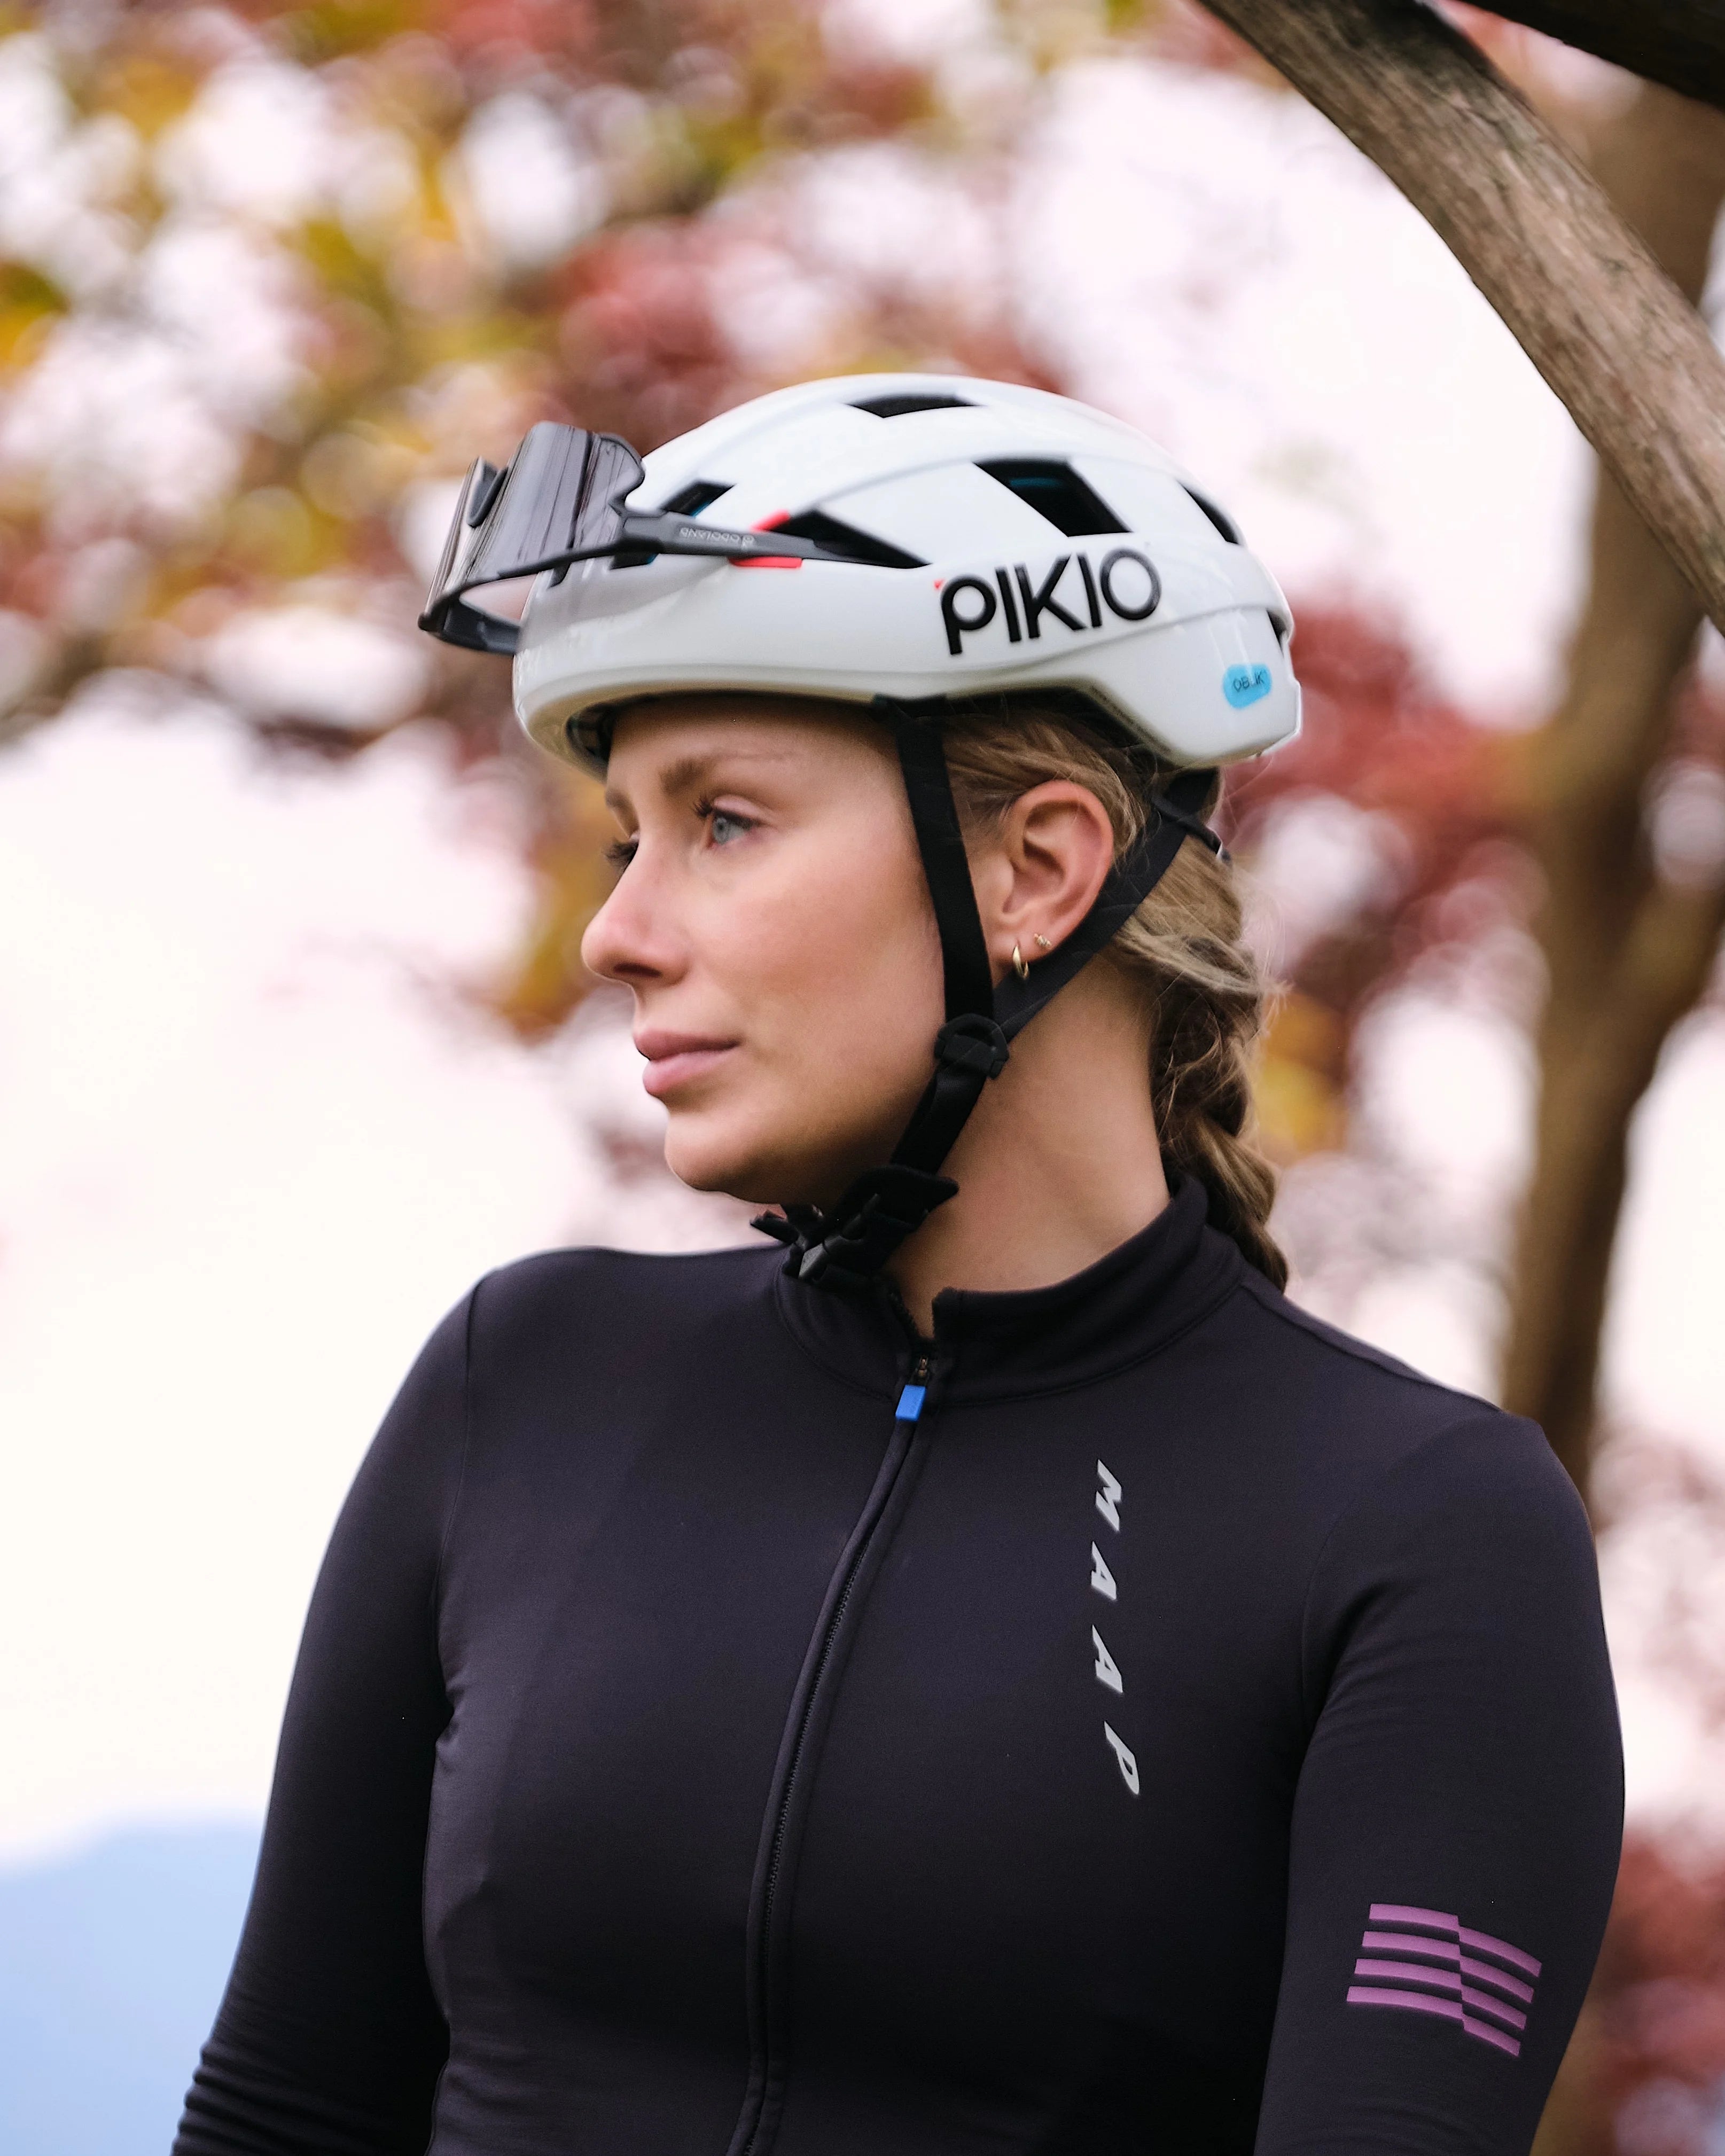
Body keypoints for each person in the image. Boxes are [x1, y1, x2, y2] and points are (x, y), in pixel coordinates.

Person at [175, 376, 1622, 2156]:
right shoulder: (523, 1385)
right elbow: (281, 2116)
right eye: (628, 833)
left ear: (1036, 869)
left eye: (723, 820)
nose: (620, 931)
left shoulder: (1419, 1531)